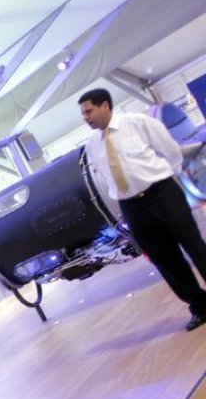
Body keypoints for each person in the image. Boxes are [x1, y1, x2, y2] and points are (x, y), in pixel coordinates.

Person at [78, 88, 206, 331]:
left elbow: (170, 152)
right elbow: (106, 177)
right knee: (165, 260)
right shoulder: (92, 145)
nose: (85, 117)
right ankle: (200, 305)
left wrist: (164, 180)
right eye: (83, 114)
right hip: (133, 208)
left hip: (162, 194)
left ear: (105, 106)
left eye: (88, 111)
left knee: (195, 246)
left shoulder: (137, 122)